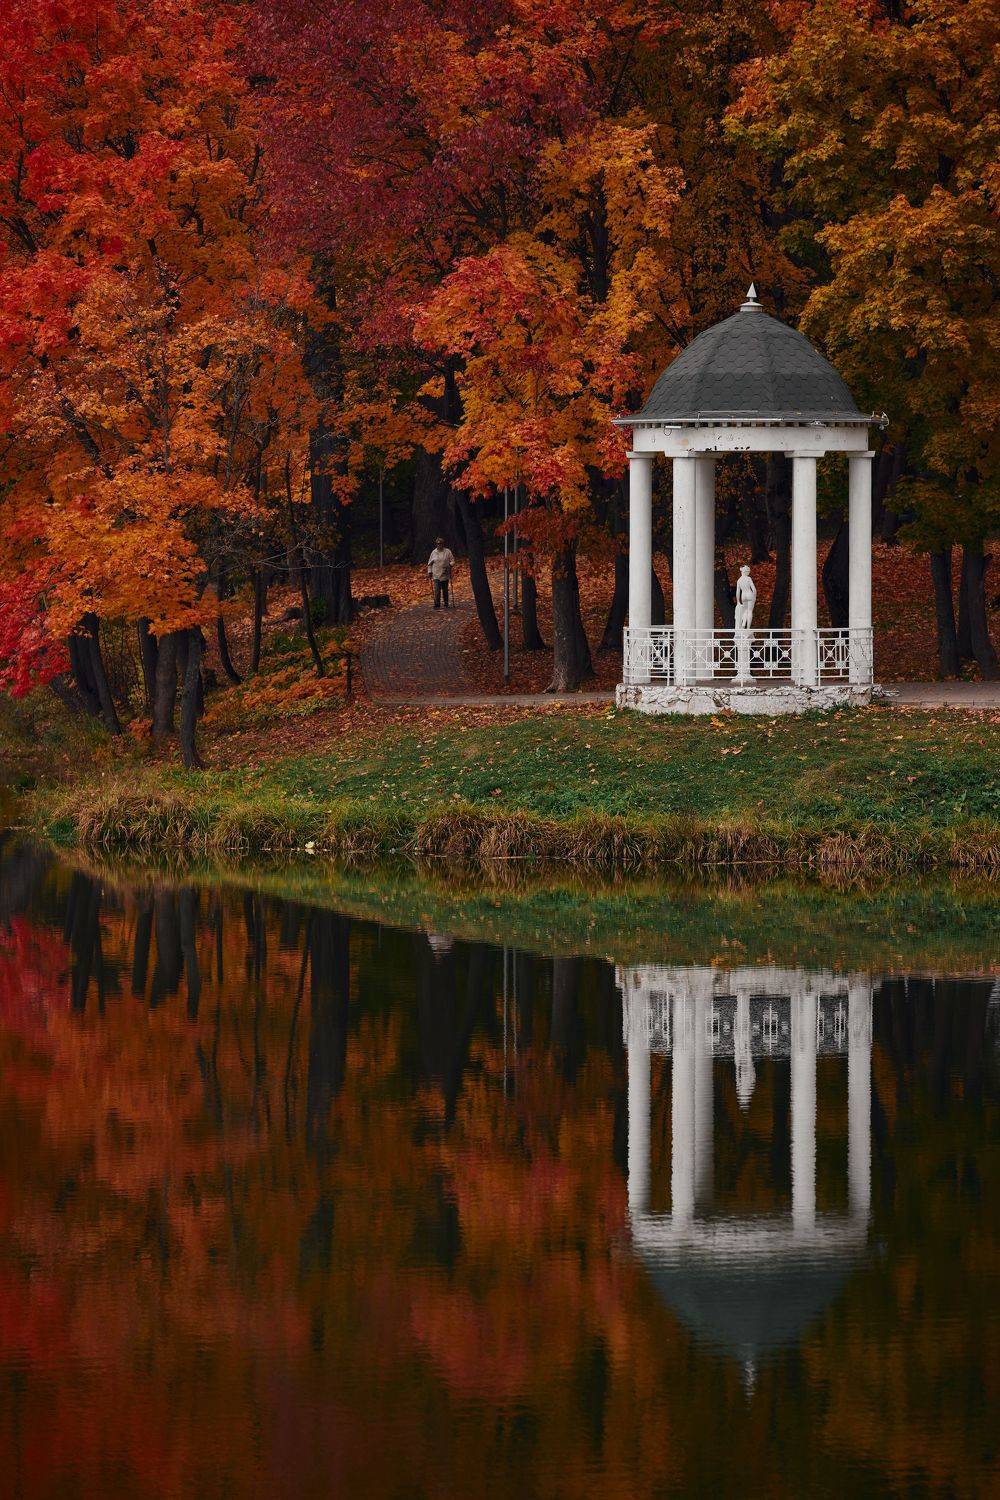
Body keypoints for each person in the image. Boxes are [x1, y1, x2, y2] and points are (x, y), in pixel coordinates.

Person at [427, 536, 455, 609]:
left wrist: (450, 564)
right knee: (437, 590)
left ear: (443, 544)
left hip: (445, 573)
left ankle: (446, 603)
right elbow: (429, 564)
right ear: (436, 544)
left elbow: (452, 560)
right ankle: (437, 604)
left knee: (445, 590)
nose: (439, 545)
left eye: (441, 544)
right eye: (438, 544)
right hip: (436, 573)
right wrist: (429, 572)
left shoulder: (447, 551)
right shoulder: (434, 552)